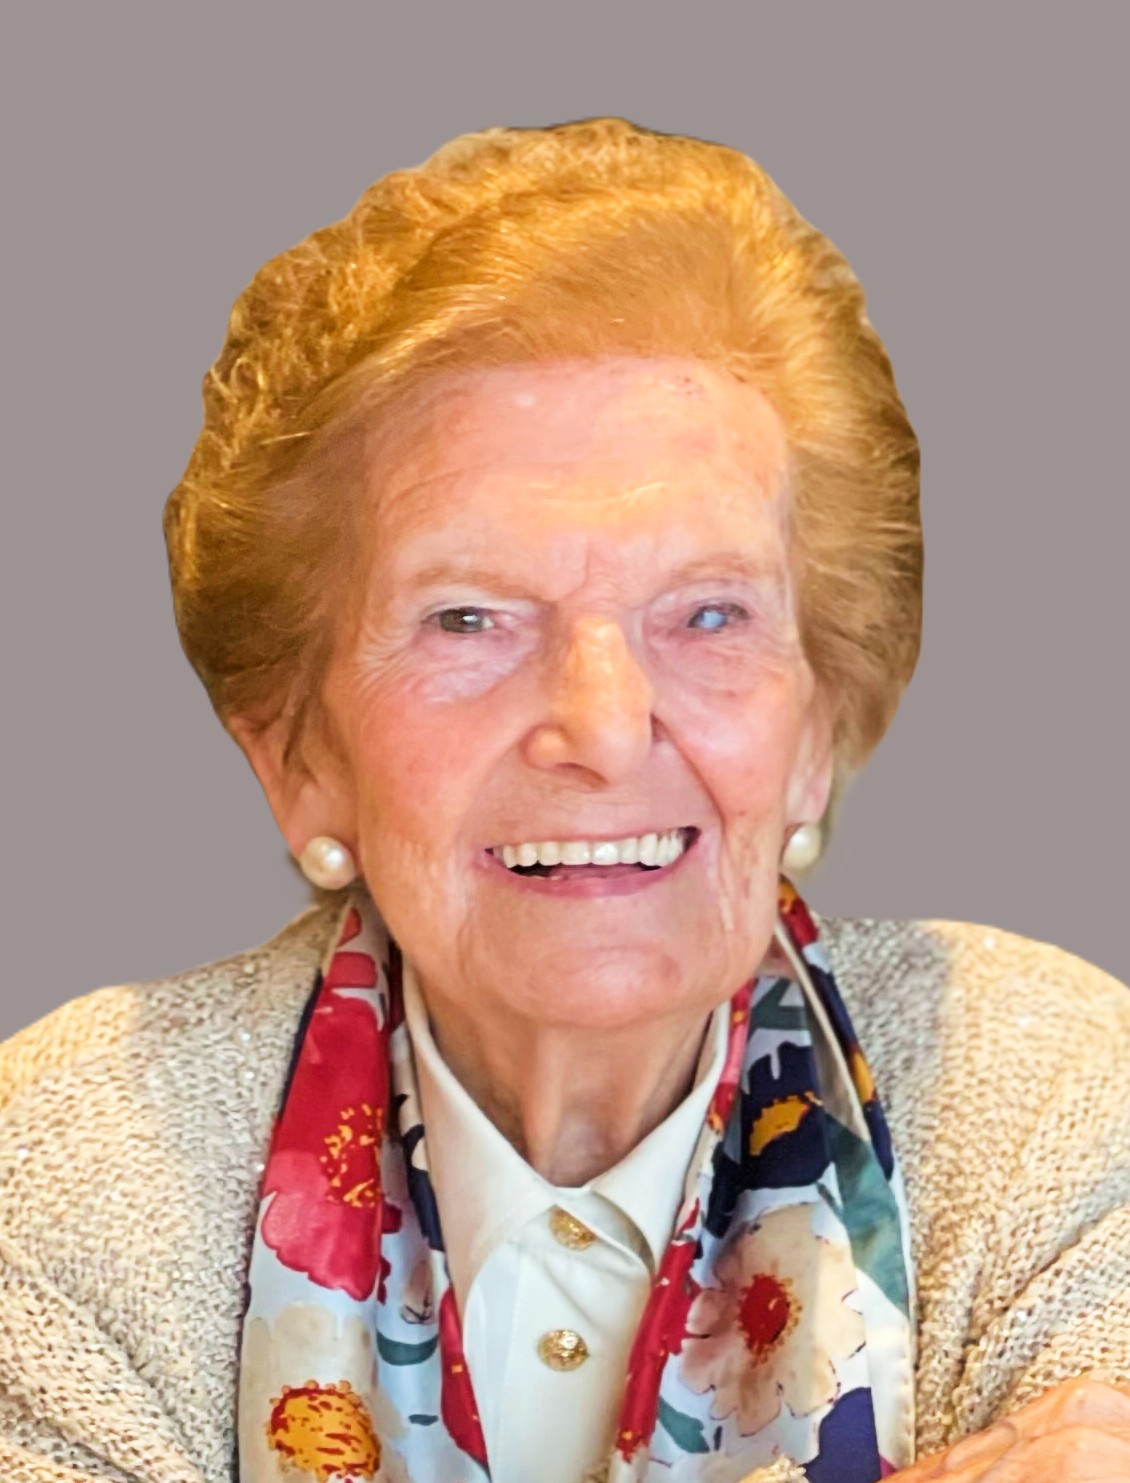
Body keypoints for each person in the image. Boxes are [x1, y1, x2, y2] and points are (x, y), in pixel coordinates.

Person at [0, 118, 1127, 1483]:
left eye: (706, 613)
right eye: (468, 618)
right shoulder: (76, 1175)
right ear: (295, 754)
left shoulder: (1049, 1108)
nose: (600, 727)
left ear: (816, 728)